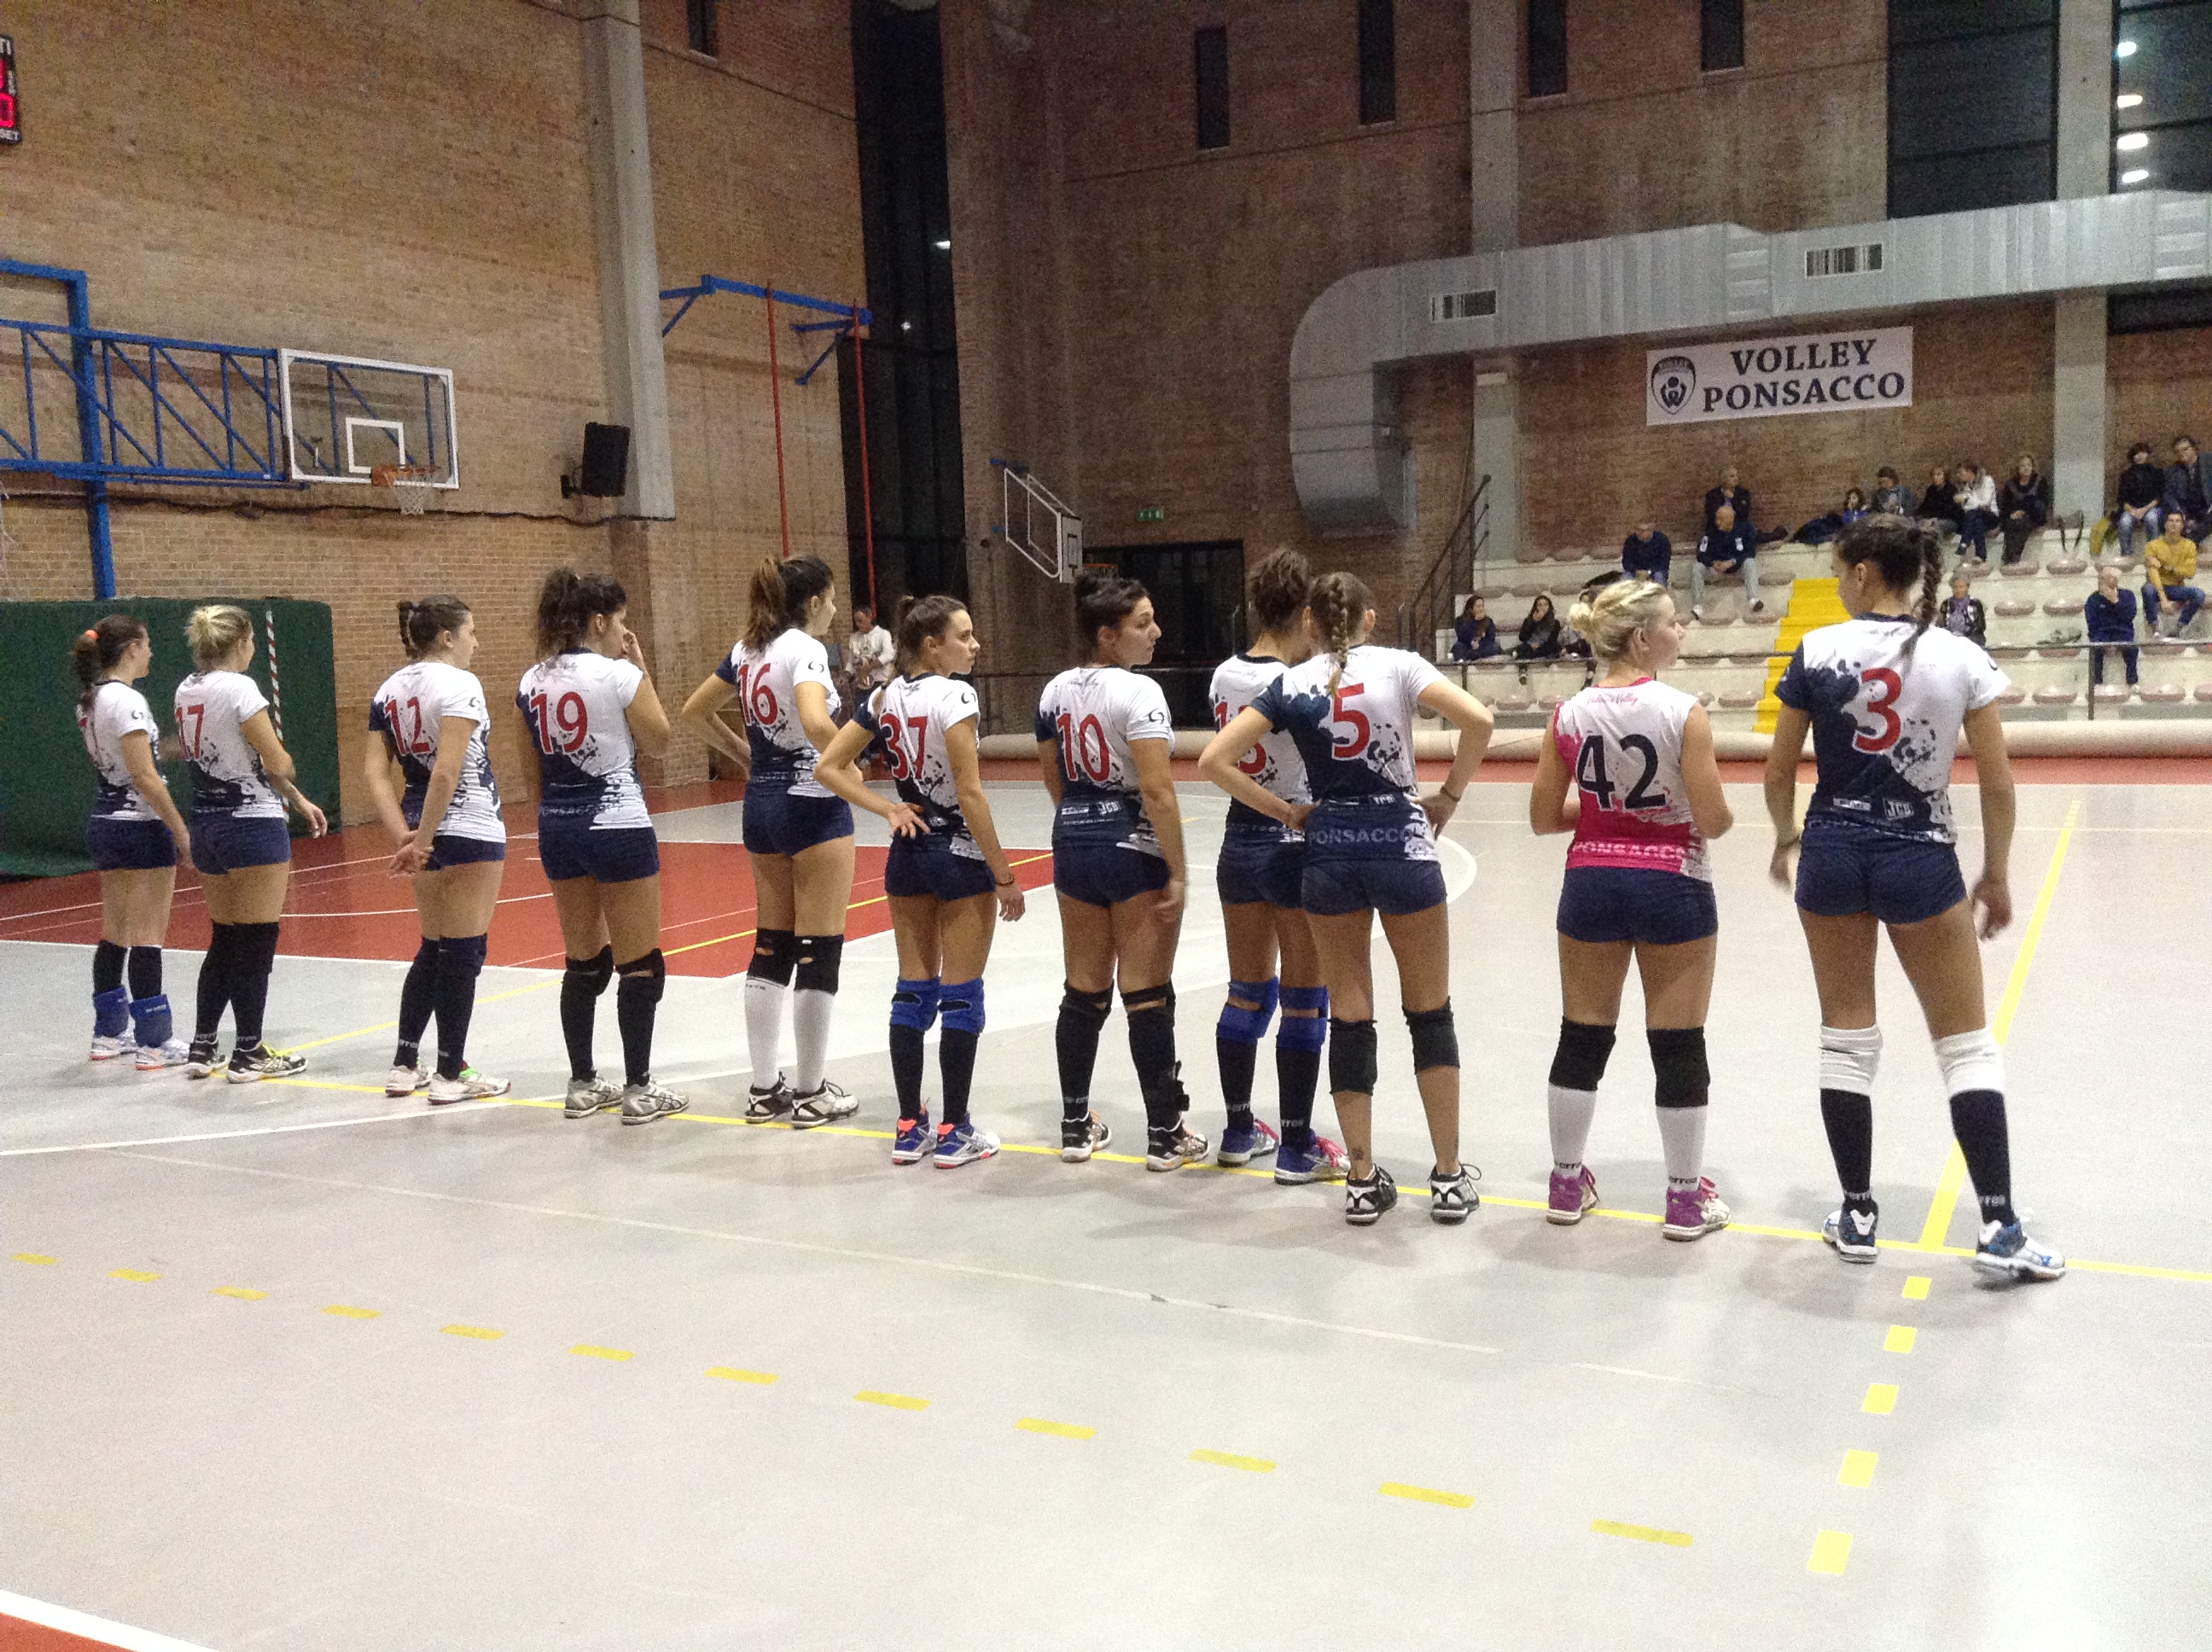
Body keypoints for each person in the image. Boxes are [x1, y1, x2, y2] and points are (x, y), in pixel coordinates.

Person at [1764, 516, 2062, 1281]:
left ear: (1865, 573)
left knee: (1846, 1037)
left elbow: (1779, 768)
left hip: (1832, 853)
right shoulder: (1960, 655)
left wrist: (1786, 837)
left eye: (1840, 571)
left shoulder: (1817, 649)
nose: (1838, 584)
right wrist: (1996, 873)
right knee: (1965, 1044)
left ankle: (1857, 1213)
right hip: (1919, 856)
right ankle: (1999, 1225)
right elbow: (1997, 782)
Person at [1202, 573, 1494, 1227]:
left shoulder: (1292, 684)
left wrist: (1288, 812)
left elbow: (1214, 760)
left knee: (1350, 1016)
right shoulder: (1400, 666)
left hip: (1329, 851)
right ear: (1369, 618)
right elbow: (1479, 720)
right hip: (1402, 845)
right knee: (1430, 1012)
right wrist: (1449, 795)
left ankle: (1361, 1179)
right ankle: (1448, 1177)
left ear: (1309, 622)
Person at [1528, 578, 1732, 1240]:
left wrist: (1604, 818)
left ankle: (1566, 1182)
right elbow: (1714, 820)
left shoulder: (1568, 715)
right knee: (1678, 1042)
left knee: (1582, 1035)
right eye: (1673, 622)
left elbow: (1542, 817)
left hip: (1591, 880)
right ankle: (1684, 1198)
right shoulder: (1683, 712)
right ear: (1644, 638)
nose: (1682, 631)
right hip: (1673, 883)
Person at [815, 596, 1025, 1169]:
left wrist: (887, 808)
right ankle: (955, 1131)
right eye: (964, 635)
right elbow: (970, 792)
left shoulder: (883, 696)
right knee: (962, 995)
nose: (974, 646)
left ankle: (909, 1127)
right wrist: (1003, 875)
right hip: (957, 854)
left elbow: (828, 766)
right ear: (932, 645)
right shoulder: (956, 696)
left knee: (912, 989)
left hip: (907, 854)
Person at [682, 556, 863, 1129]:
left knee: (771, 944)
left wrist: (745, 754)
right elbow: (815, 721)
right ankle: (811, 1092)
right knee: (819, 948)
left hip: (760, 804)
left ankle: (765, 1089)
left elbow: (694, 710)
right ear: (813, 602)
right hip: (811, 802)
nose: (835, 608)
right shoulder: (804, 648)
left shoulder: (748, 650)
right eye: (832, 597)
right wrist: (849, 765)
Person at [1036, 568, 1199, 1170]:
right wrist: (1178, 870)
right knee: (1146, 991)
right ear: (1108, 635)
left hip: (1074, 842)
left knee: (1083, 988)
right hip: (1131, 845)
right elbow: (1157, 790)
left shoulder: (1053, 692)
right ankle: (1165, 1133)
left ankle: (1075, 1125)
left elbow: (1052, 776)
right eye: (1142, 624)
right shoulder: (1140, 692)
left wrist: (1083, 823)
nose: (1155, 632)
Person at [1197, 550, 1348, 1183]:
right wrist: (1291, 811)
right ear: (1306, 613)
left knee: (1245, 990)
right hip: (1292, 837)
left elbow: (1219, 759)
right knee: (1305, 1000)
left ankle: (1238, 1130)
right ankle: (1296, 1144)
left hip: (1239, 842)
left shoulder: (1222, 675)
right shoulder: (1300, 681)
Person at [520, 570, 681, 1124]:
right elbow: (659, 741)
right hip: (617, 825)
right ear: (598, 621)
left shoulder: (531, 681)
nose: (624, 632)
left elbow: (531, 774)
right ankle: (639, 1089)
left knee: (584, 962)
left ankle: (583, 1083)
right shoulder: (618, 674)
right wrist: (640, 668)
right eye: (621, 621)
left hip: (558, 827)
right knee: (640, 964)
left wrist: (558, 817)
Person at [363, 596, 510, 1105]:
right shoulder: (459, 684)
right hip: (468, 825)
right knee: (463, 953)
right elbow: (448, 771)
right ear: (447, 637)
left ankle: (405, 1064)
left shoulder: (389, 688)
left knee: (433, 946)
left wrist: (405, 837)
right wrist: (423, 840)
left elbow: (375, 773)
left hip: (417, 824)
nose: (476, 643)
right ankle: (450, 1073)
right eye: (471, 632)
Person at [173, 604, 328, 1081]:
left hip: (207, 822)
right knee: (257, 940)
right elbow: (274, 761)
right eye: (252, 640)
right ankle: (249, 1051)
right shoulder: (240, 688)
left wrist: (296, 799)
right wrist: (289, 770)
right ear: (241, 642)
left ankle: (202, 1045)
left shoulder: (187, 688)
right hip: (250, 825)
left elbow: (237, 758)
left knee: (225, 936)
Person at [73, 615, 194, 1069]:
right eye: (147, 645)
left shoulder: (90, 700)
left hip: (106, 822)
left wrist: (175, 749)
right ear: (130, 650)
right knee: (148, 934)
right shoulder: (128, 700)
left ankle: (108, 1033)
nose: (151, 653)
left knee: (115, 930)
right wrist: (181, 831)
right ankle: (154, 1040)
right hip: (141, 826)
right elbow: (144, 776)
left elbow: (132, 760)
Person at [1692, 503, 1761, 620]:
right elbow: (1701, 553)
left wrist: (1733, 562)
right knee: (1697, 567)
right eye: (1717, 518)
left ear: (1731, 519)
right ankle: (1698, 606)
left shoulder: (1745, 529)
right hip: (1716, 570)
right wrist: (1713, 563)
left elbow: (1751, 551)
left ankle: (1753, 600)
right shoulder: (1711, 531)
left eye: (1721, 519)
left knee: (1750, 562)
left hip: (1737, 568)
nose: (1717, 522)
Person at [2143, 513, 2206, 635]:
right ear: (2165, 524)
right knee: (2147, 589)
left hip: (2176, 587)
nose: (2174, 524)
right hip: (2157, 587)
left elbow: (2190, 573)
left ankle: (2179, 627)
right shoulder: (2152, 545)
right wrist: (2163, 600)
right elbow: (2153, 574)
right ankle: (2155, 628)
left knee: (2199, 594)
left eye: (2177, 521)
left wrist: (2167, 568)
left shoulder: (2189, 545)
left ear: (2182, 526)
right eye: (2170, 521)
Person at [2084, 564, 2139, 690]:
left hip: (2123, 631)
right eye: (2099, 578)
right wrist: (2105, 643)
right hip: (2102, 632)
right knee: (2096, 648)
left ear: (2114, 580)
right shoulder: (2093, 599)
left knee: (2132, 648)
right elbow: (2092, 623)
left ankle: (2132, 681)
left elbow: (2129, 616)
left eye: (2103, 578)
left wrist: (2115, 602)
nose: (2099, 581)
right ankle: (2096, 683)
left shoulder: (2127, 595)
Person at [2113, 439, 2165, 561]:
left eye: (2143, 452)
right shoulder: (2126, 475)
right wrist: (2133, 511)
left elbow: (2159, 496)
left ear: (2148, 454)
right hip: (2131, 509)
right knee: (2125, 522)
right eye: (2137, 453)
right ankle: (2126, 554)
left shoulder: (2156, 473)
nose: (2140, 456)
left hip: (2152, 507)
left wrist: (2144, 510)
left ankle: (2154, 554)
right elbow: (2122, 499)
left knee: (2152, 519)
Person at [1997, 453, 2050, 566]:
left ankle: (2013, 557)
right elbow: (2005, 505)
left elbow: (2043, 502)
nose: (2026, 468)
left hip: (2034, 515)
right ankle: (2009, 557)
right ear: (2018, 468)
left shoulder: (2040, 482)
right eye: (2023, 466)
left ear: (2033, 467)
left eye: (2029, 465)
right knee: (2011, 523)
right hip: (2015, 516)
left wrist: (2024, 511)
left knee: (2022, 523)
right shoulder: (2010, 485)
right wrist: (2013, 513)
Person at [841, 603, 894, 711]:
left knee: (880, 713)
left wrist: (869, 667)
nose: (858, 624)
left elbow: (888, 654)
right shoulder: (854, 638)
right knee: (862, 713)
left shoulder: (883, 634)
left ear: (869, 617)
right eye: (856, 622)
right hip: (862, 685)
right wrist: (845, 676)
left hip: (880, 683)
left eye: (860, 621)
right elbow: (851, 662)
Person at [2165, 433, 2212, 538]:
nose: (2181, 454)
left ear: (2194, 449)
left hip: (2207, 507)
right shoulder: (2173, 470)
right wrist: (2178, 511)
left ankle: (2191, 542)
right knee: (2169, 519)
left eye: (2185, 449)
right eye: (2178, 452)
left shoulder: (2209, 462)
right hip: (2186, 510)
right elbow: (2168, 494)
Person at [1954, 462, 1999, 563]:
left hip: (1990, 515)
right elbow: (1966, 508)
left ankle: (1964, 542)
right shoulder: (1965, 486)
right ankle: (1980, 555)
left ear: (1969, 472)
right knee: (1977, 521)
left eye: (1960, 472)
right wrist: (1966, 500)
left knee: (1974, 514)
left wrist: (1967, 498)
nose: (1958, 475)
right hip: (1976, 517)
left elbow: (1986, 502)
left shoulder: (1987, 480)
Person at [1796, 487, 1869, 547]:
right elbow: (1846, 523)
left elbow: (1854, 525)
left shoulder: (1863, 512)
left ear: (1859, 499)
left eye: (1854, 498)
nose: (1851, 501)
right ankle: (1803, 538)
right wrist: (1850, 511)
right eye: (1849, 498)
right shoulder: (1847, 512)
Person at [1940, 573, 1986, 649]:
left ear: (1967, 588)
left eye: (1961, 587)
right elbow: (1942, 625)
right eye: (1955, 587)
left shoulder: (1975, 603)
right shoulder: (1946, 604)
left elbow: (1980, 626)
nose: (1958, 590)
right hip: (1950, 640)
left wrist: (1965, 639)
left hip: (1972, 640)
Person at [1621, 521, 1672, 587]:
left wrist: (1649, 572)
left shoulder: (1662, 540)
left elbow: (1664, 562)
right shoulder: (1630, 541)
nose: (1640, 533)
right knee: (1626, 579)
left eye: (1643, 530)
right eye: (1638, 530)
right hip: (1635, 571)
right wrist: (1636, 571)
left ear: (1651, 530)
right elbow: (1626, 561)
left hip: (1656, 570)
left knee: (1659, 578)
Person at [1703, 465, 1750, 537]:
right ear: (1724, 479)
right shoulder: (1713, 494)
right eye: (1732, 476)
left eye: (1737, 476)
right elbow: (1710, 514)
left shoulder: (1743, 493)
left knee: (1749, 528)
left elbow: (1744, 514)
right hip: (1719, 526)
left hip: (1737, 525)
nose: (1736, 479)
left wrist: (1733, 499)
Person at [1451, 596, 1501, 662]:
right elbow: (1462, 637)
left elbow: (1491, 638)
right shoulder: (1460, 620)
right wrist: (1475, 621)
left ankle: (1469, 656)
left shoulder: (1488, 621)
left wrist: (1480, 645)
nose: (1481, 609)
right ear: (1471, 609)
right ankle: (1467, 658)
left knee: (1495, 646)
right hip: (1467, 646)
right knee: (1458, 646)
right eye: (1478, 606)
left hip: (1481, 648)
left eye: (1482, 606)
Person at [1917, 463, 1962, 537]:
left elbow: (1950, 512)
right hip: (1931, 519)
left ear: (1945, 476)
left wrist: (1935, 519)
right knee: (1918, 524)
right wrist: (1917, 516)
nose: (1935, 477)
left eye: (1938, 474)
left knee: (1934, 527)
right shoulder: (1931, 489)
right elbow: (1924, 506)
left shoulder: (1951, 490)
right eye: (1933, 475)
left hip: (1948, 520)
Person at [1514, 594, 1563, 660]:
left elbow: (1552, 640)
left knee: (1555, 647)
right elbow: (1522, 637)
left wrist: (1539, 646)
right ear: (1536, 607)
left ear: (1549, 607)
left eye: (1546, 604)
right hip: (1530, 646)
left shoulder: (1555, 623)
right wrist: (1534, 622)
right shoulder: (1528, 620)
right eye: (1540, 605)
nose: (1543, 607)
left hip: (1544, 648)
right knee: (1522, 648)